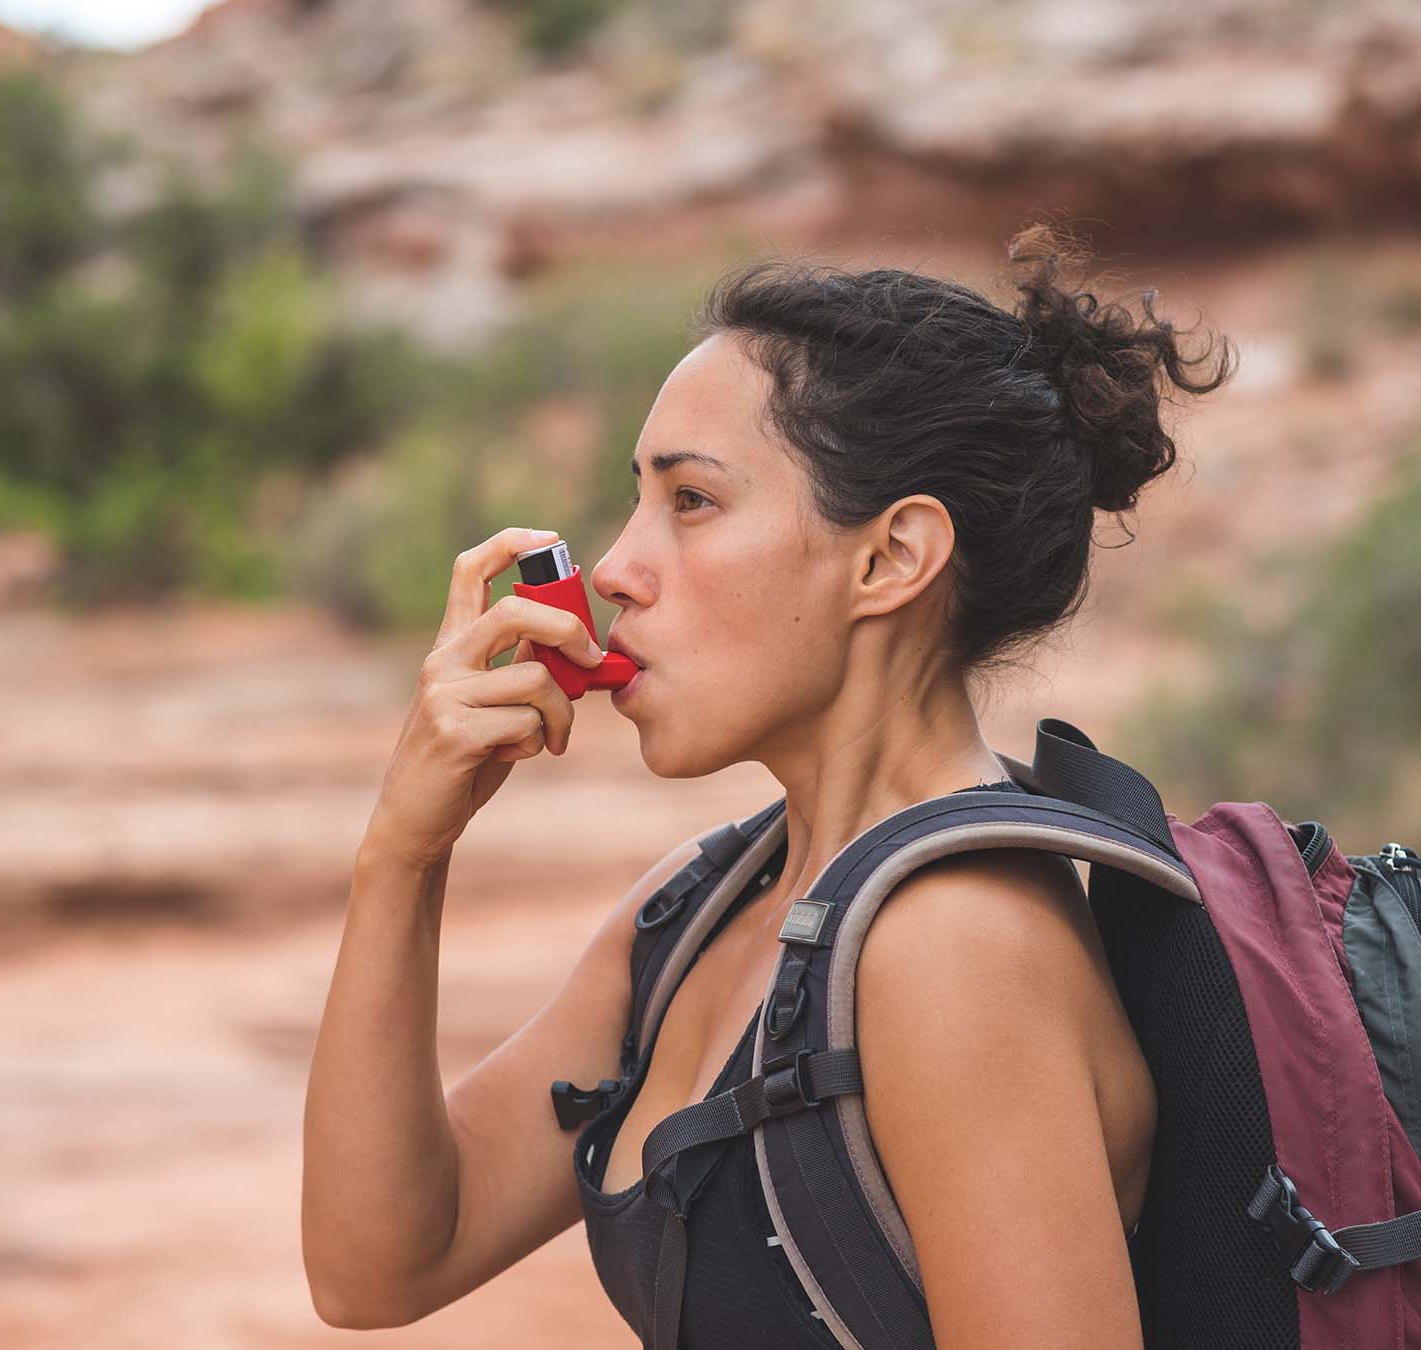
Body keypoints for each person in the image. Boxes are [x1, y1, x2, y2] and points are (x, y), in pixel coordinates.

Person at [303, 222, 1234, 1346]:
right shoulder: (697, 912)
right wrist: (402, 857)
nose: (614, 570)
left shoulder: (956, 948)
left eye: (690, 502)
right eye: (638, 498)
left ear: (891, 558)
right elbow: (381, 1263)